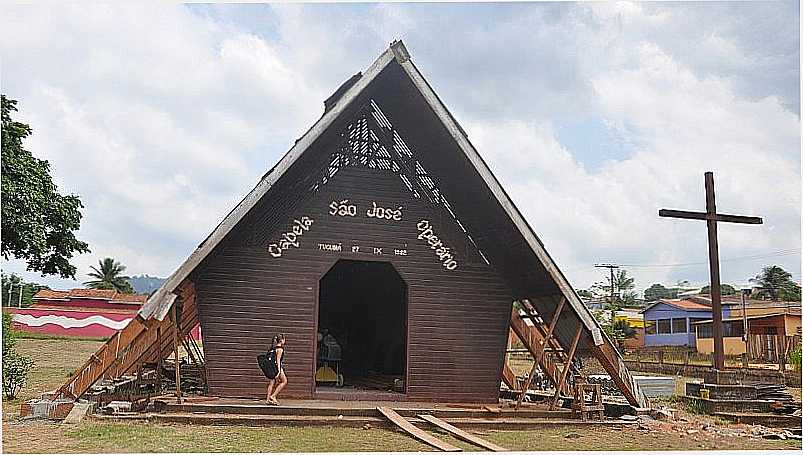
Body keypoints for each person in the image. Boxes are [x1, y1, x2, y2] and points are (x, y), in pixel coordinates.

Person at [265, 334, 287, 405]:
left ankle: (268, 399)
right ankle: (273, 396)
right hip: (277, 367)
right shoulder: (280, 349)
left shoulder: (273, 348)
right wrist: (278, 371)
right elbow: (278, 360)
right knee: (284, 381)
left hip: (272, 367)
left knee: (272, 383)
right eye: (284, 339)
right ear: (282, 340)